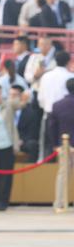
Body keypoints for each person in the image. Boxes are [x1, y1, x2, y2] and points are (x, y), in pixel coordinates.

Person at [48, 78, 74, 209]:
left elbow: (51, 126)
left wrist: (55, 144)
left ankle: (59, 201)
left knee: (63, 174)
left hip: (64, 144)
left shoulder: (57, 105)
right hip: (67, 143)